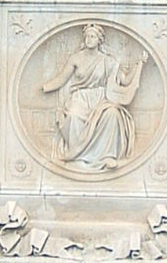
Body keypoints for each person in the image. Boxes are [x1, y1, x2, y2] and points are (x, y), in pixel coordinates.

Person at [40, 22, 148, 171]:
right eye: (87, 36)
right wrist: (45, 88)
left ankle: (107, 156)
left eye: (93, 36)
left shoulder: (107, 61)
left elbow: (124, 80)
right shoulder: (76, 58)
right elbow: (62, 78)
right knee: (73, 116)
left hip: (101, 99)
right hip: (80, 98)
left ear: (99, 40)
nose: (89, 39)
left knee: (112, 114)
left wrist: (139, 65)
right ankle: (76, 155)